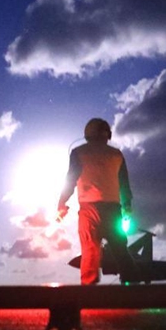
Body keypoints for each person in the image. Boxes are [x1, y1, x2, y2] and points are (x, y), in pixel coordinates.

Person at [57, 118, 139, 285]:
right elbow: (124, 184)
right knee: (120, 250)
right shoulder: (117, 155)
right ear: (107, 134)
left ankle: (89, 293)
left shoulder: (79, 152)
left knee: (90, 252)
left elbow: (71, 179)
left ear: (88, 134)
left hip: (89, 211)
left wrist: (62, 204)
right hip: (113, 210)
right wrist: (128, 207)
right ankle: (132, 290)